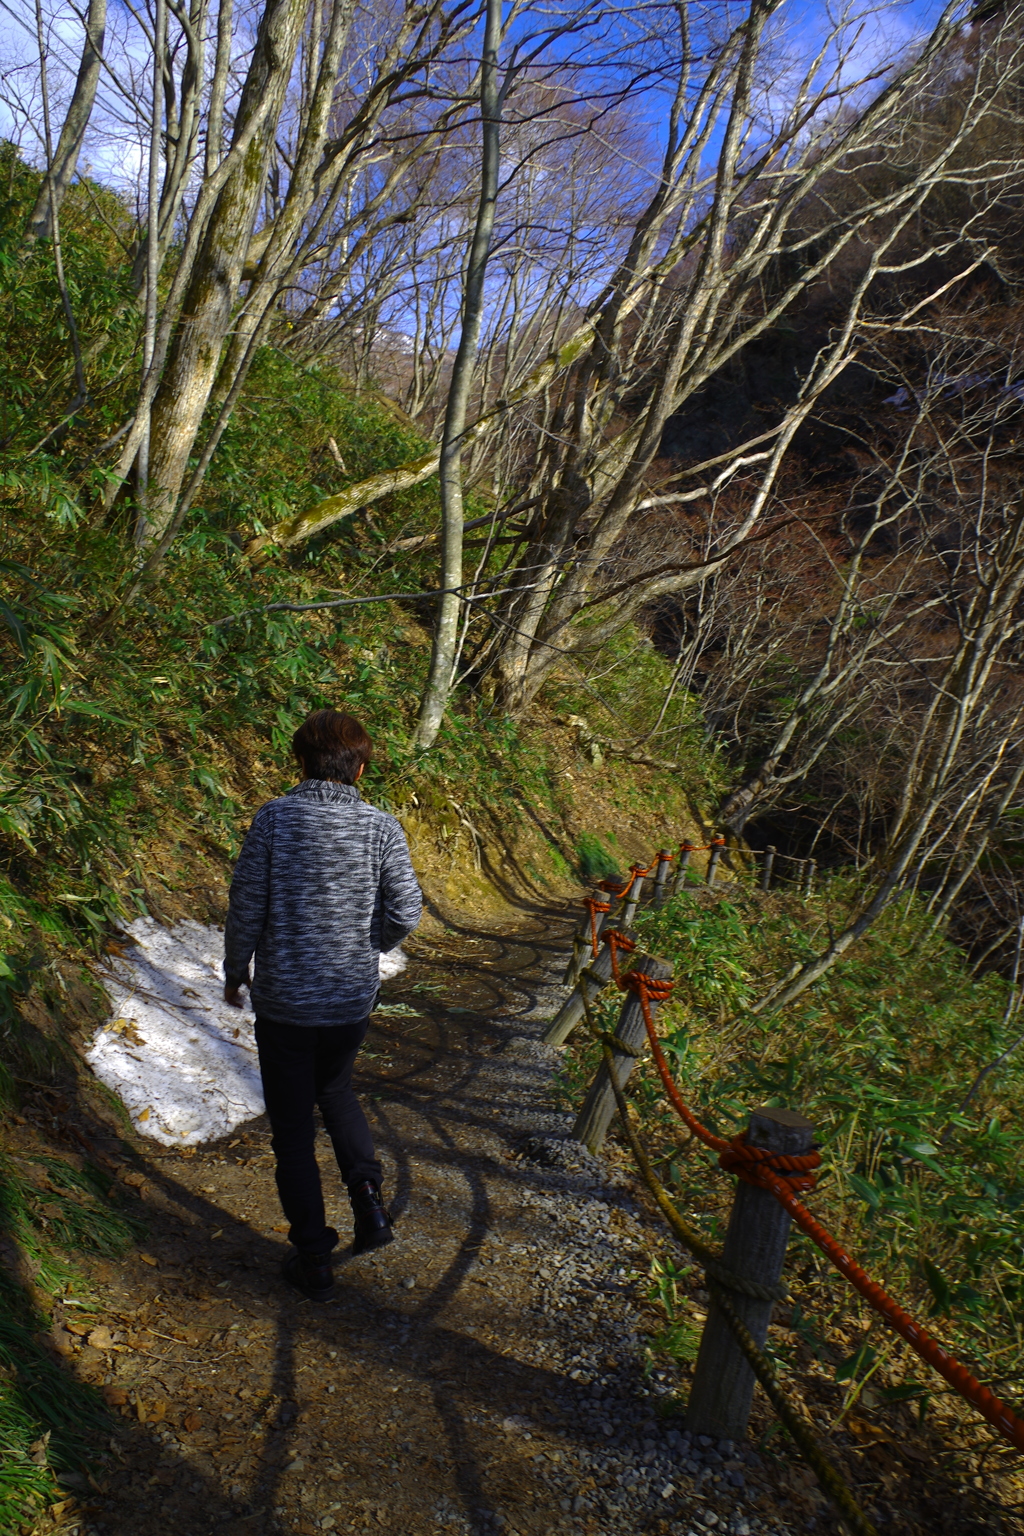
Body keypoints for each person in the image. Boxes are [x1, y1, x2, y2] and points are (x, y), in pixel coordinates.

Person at [223, 708, 422, 1302]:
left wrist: (237, 970)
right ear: (359, 768)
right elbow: (406, 910)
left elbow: (246, 905)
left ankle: (312, 1254)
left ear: (300, 762)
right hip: (348, 1000)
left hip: (285, 1002)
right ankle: (370, 1209)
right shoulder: (382, 827)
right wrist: (371, 945)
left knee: (291, 1130)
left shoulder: (275, 820)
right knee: (336, 1093)